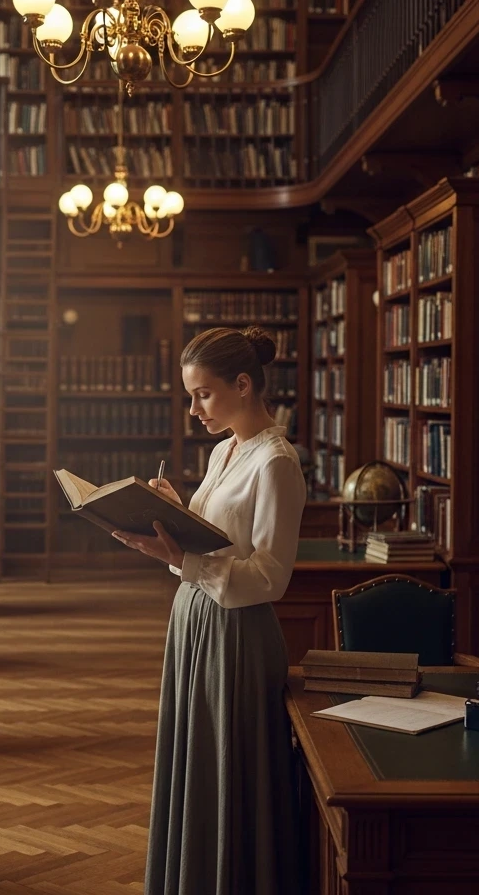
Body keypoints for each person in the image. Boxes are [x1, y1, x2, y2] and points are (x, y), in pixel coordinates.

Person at [112, 325, 307, 895]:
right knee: (193, 763)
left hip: (237, 635)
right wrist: (171, 519)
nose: (193, 408)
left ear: (243, 385)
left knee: (227, 770)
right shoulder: (225, 450)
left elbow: (272, 577)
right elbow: (210, 543)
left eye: (203, 394)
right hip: (193, 619)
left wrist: (185, 558)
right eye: (189, 395)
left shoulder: (275, 463)